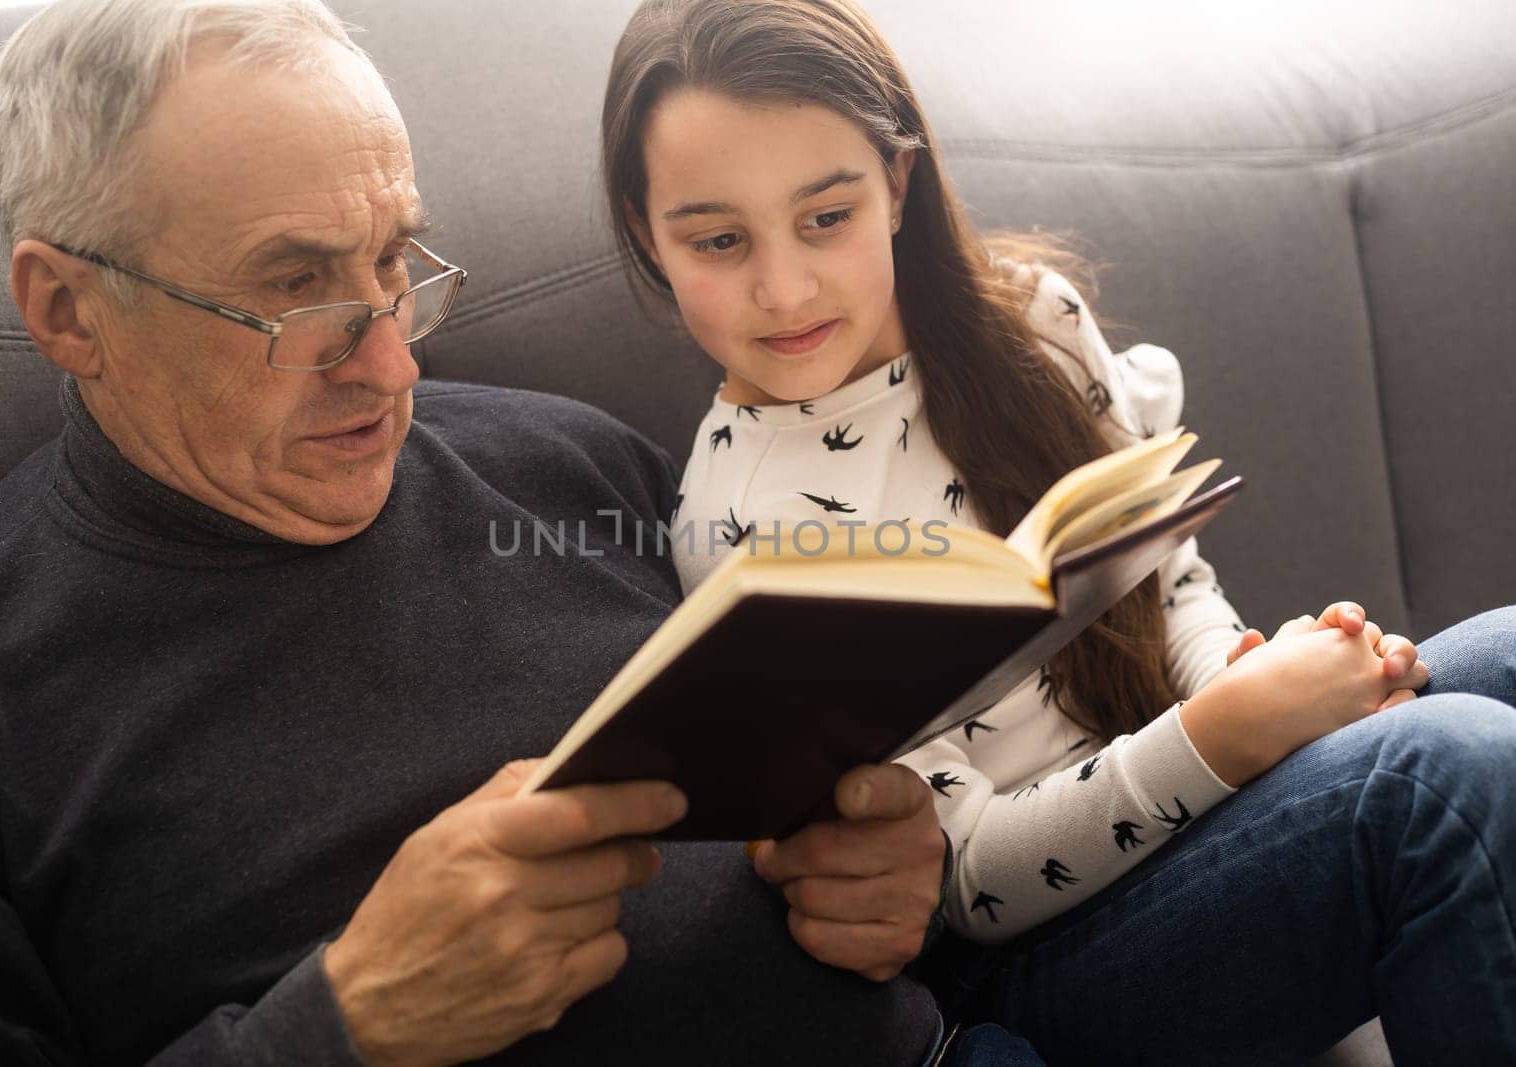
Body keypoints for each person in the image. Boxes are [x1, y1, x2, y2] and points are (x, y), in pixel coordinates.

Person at [0, 1, 967, 1063]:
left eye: (392, 263)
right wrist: (347, 1023)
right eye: (294, 289)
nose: (391, 364)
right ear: (66, 309)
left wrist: (893, 882)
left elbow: (854, 832)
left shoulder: (571, 460)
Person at [597, 0, 1516, 1061]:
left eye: (824, 217)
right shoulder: (743, 525)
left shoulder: (1033, 321)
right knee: (1436, 776)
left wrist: (1237, 673)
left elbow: (1167, 577)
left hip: (1197, 816)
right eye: (718, 239)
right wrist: (1234, 733)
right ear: (642, 228)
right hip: (1041, 957)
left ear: (895, 183)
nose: (784, 285)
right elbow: (970, 876)